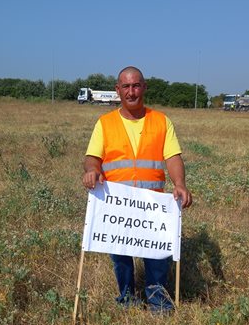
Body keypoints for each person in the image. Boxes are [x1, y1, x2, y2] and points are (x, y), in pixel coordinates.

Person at [82, 66, 192, 312]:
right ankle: (127, 300)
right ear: (117, 90)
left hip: (153, 205)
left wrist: (180, 184)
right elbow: (92, 157)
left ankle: (158, 304)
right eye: (126, 87)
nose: (131, 92)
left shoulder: (161, 121)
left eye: (136, 85)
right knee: (121, 257)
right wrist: (92, 170)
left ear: (144, 87)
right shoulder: (104, 123)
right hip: (117, 206)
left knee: (157, 258)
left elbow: (173, 157)